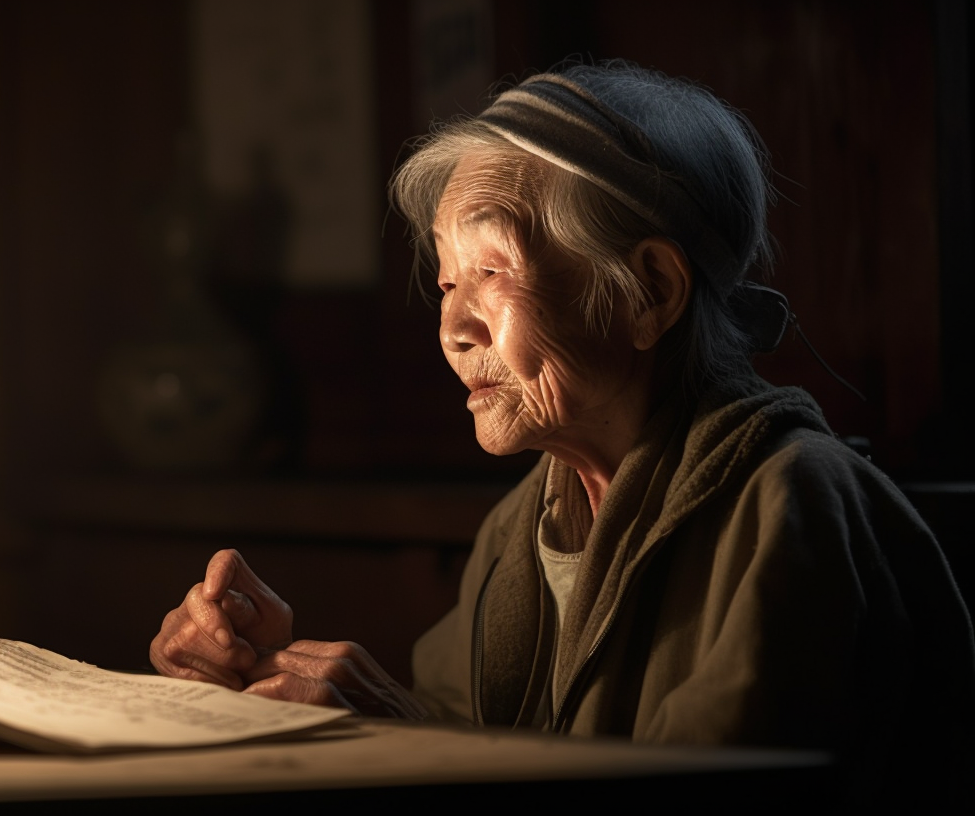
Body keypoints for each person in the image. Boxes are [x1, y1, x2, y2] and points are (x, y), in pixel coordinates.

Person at [148, 61, 974, 800]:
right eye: (445, 282)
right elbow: (451, 719)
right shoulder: (522, 528)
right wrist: (268, 681)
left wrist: (404, 736)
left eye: (493, 273)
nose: (454, 328)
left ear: (649, 291)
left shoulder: (792, 505)